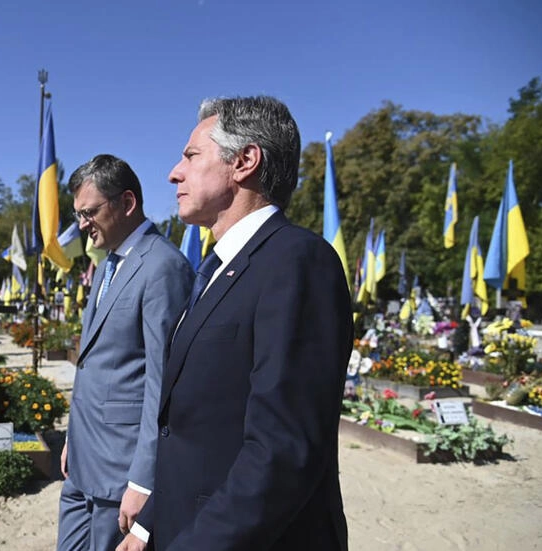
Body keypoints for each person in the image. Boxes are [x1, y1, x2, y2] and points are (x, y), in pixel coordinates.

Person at [120, 97, 353, 551]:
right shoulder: (216, 270)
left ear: (244, 161)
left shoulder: (297, 262)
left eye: (191, 156)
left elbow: (280, 453)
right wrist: (149, 528)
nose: (174, 173)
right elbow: (193, 431)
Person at [57, 154, 193, 551]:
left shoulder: (163, 267)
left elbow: (163, 385)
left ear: (127, 202)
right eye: (78, 214)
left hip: (121, 475)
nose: (83, 224)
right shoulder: (106, 265)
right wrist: (73, 439)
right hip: (82, 462)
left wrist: (143, 480)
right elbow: (95, 365)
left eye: (89, 212)